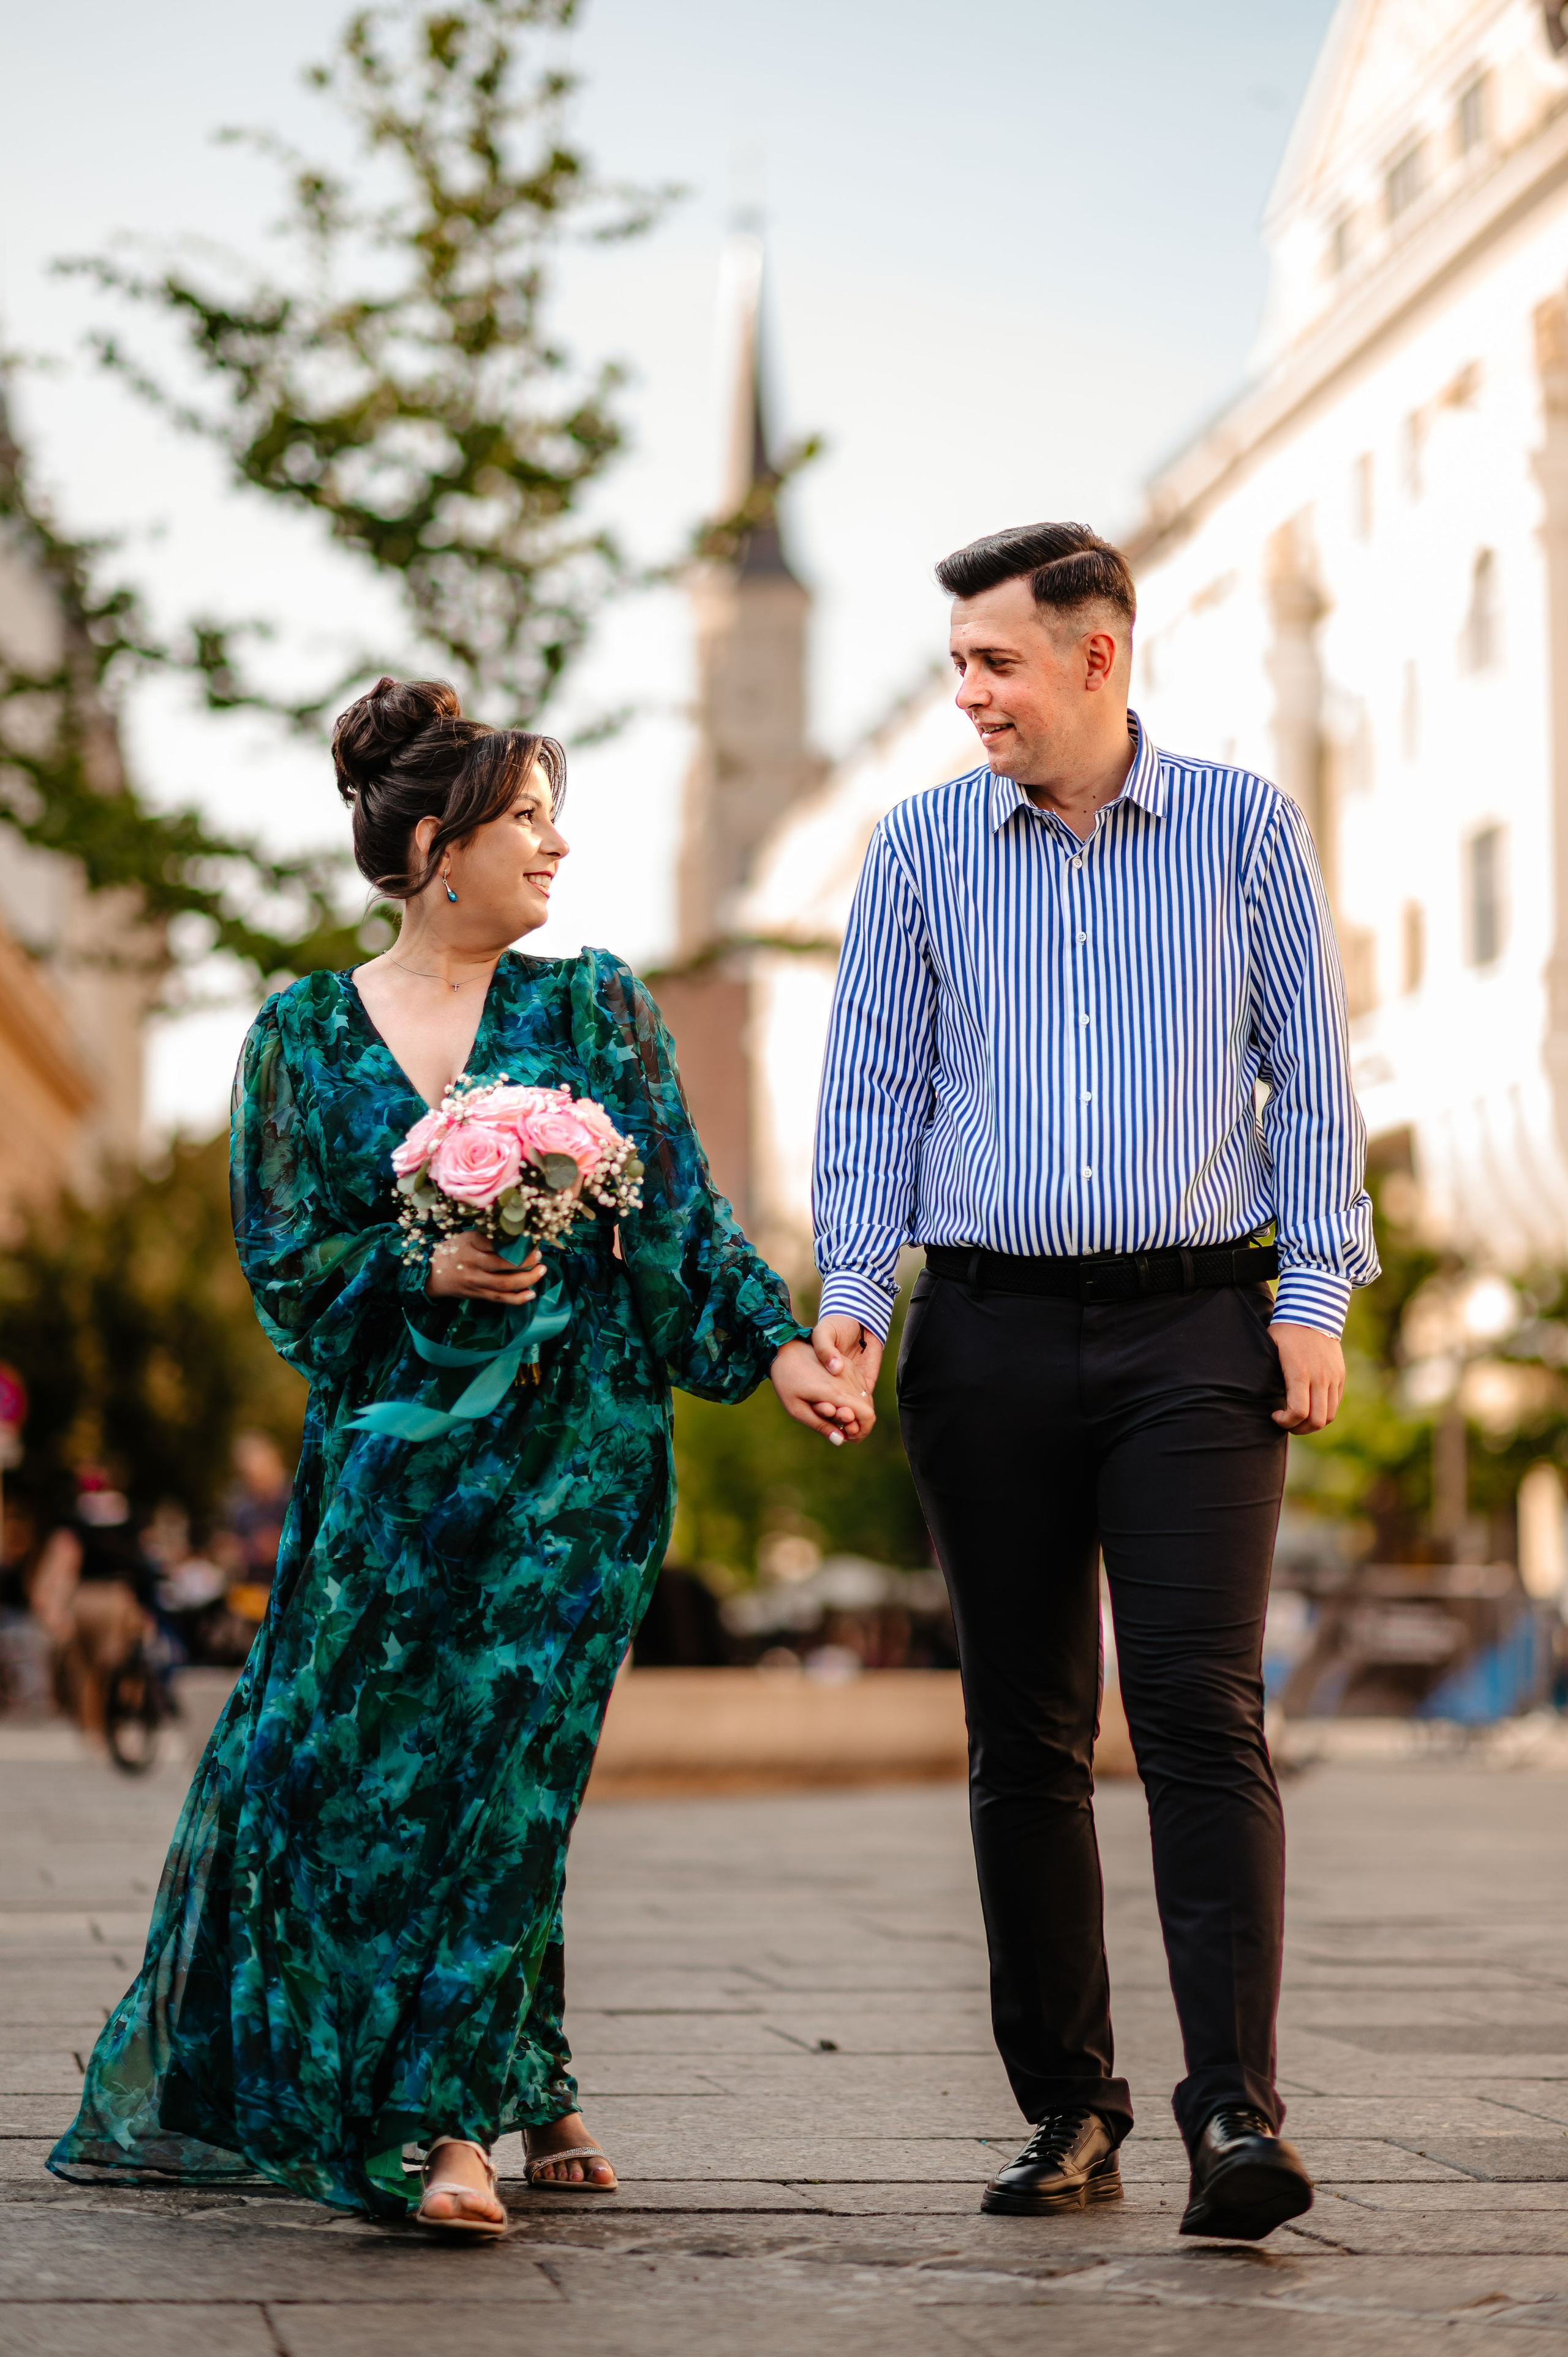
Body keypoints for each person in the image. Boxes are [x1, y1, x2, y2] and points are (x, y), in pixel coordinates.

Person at [50, 674, 870, 2231]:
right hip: (389, 1473)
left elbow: (677, 1219)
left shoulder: (596, 1006)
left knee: (510, 1766)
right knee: (338, 1766)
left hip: (577, 1463)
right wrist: (416, 1268)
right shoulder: (299, 1034)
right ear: (437, 845)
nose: (555, 852)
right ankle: (534, 2064)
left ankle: (443, 2125)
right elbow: (287, 1264)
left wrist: (776, 1351)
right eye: (525, 823)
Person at [810, 523, 1376, 2241]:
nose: (966, 693)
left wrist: (1318, 1293)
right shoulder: (913, 853)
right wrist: (851, 1301)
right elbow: (873, 1096)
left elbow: (1314, 1075)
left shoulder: (1241, 829)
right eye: (958, 665)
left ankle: (1234, 2114)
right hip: (982, 1338)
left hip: (1196, 1337)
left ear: (1095, 658)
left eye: (992, 661)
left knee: (1203, 1717)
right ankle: (1070, 2107)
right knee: (1026, 1738)